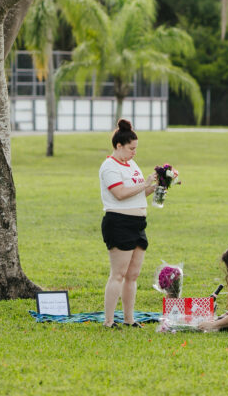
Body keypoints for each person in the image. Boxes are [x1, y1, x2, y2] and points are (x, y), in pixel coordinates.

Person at [99, 118, 157, 328]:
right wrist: (145, 183)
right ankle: (108, 320)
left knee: (132, 275)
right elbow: (121, 194)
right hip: (118, 222)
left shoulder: (132, 165)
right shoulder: (109, 167)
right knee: (118, 274)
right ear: (119, 146)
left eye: (136, 149)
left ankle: (129, 319)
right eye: (131, 148)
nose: (134, 152)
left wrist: (159, 185)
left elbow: (141, 194)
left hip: (138, 223)